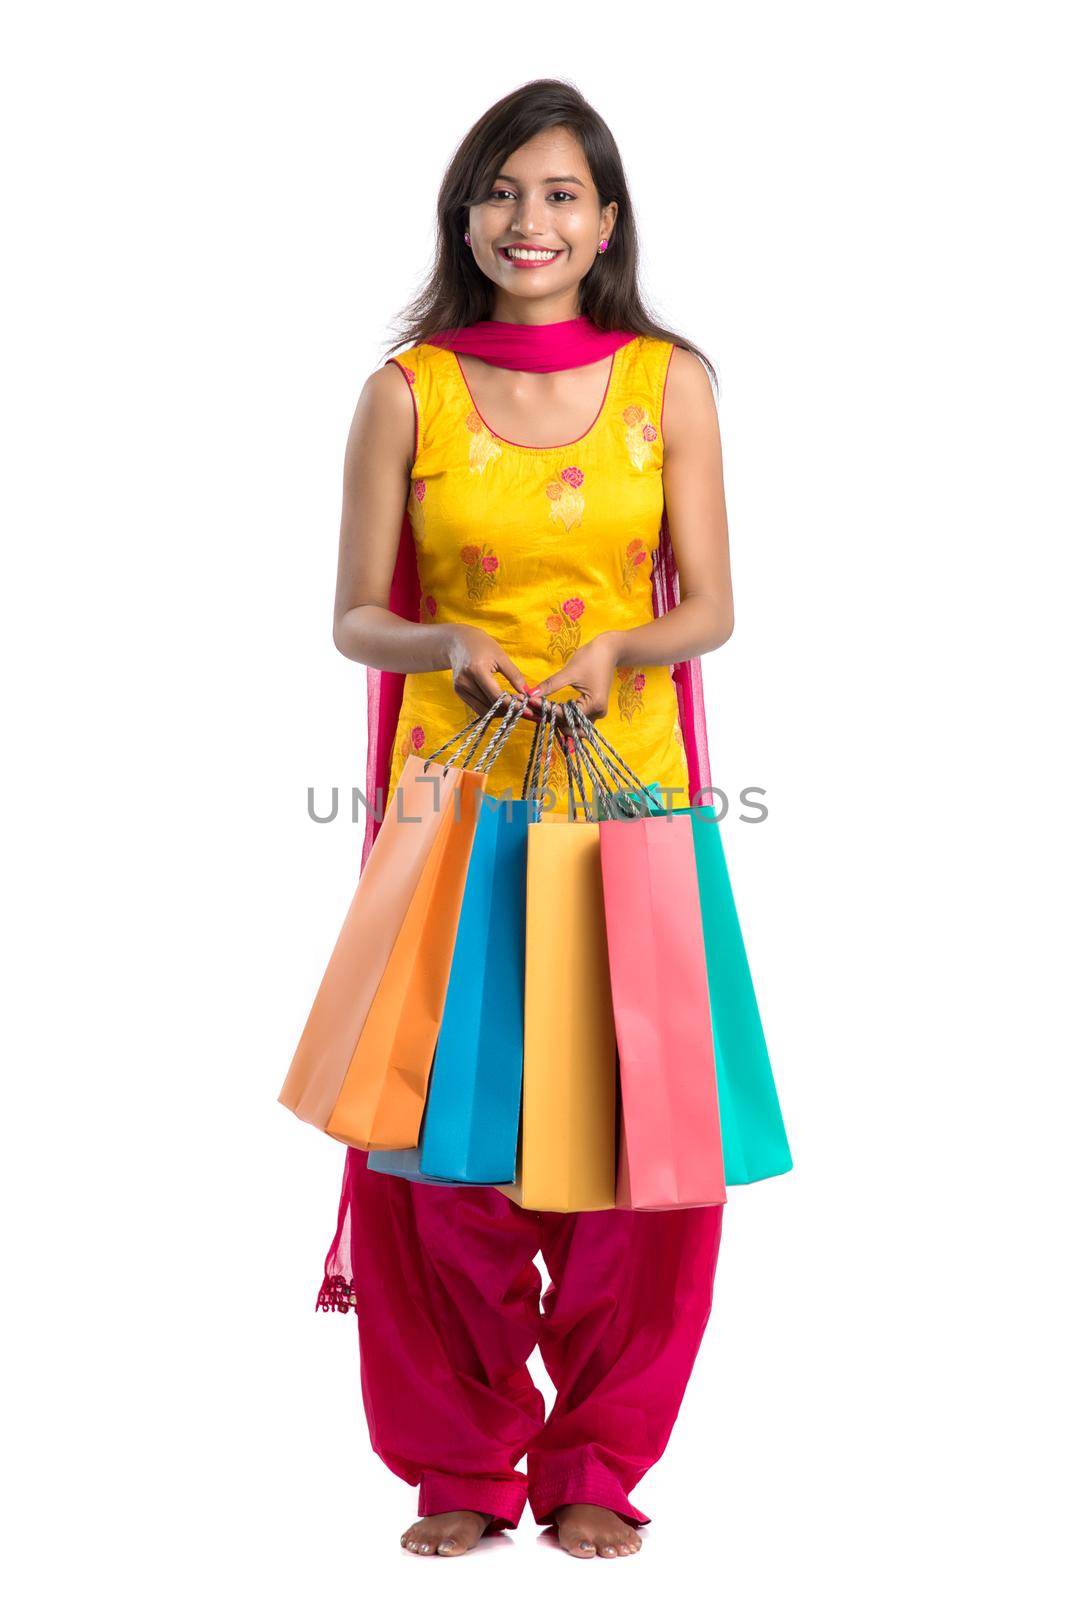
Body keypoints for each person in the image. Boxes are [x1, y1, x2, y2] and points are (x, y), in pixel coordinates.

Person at [322, 79, 733, 1560]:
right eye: (501, 191)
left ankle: (598, 1459)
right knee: (446, 1149)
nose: (529, 219)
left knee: (641, 1155)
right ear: (465, 215)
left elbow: (716, 608)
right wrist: (443, 646)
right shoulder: (407, 393)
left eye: (560, 192)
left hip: (629, 805)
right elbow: (358, 619)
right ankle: (458, 1461)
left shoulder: (666, 382)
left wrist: (628, 649)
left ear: (606, 220)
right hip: (458, 811)